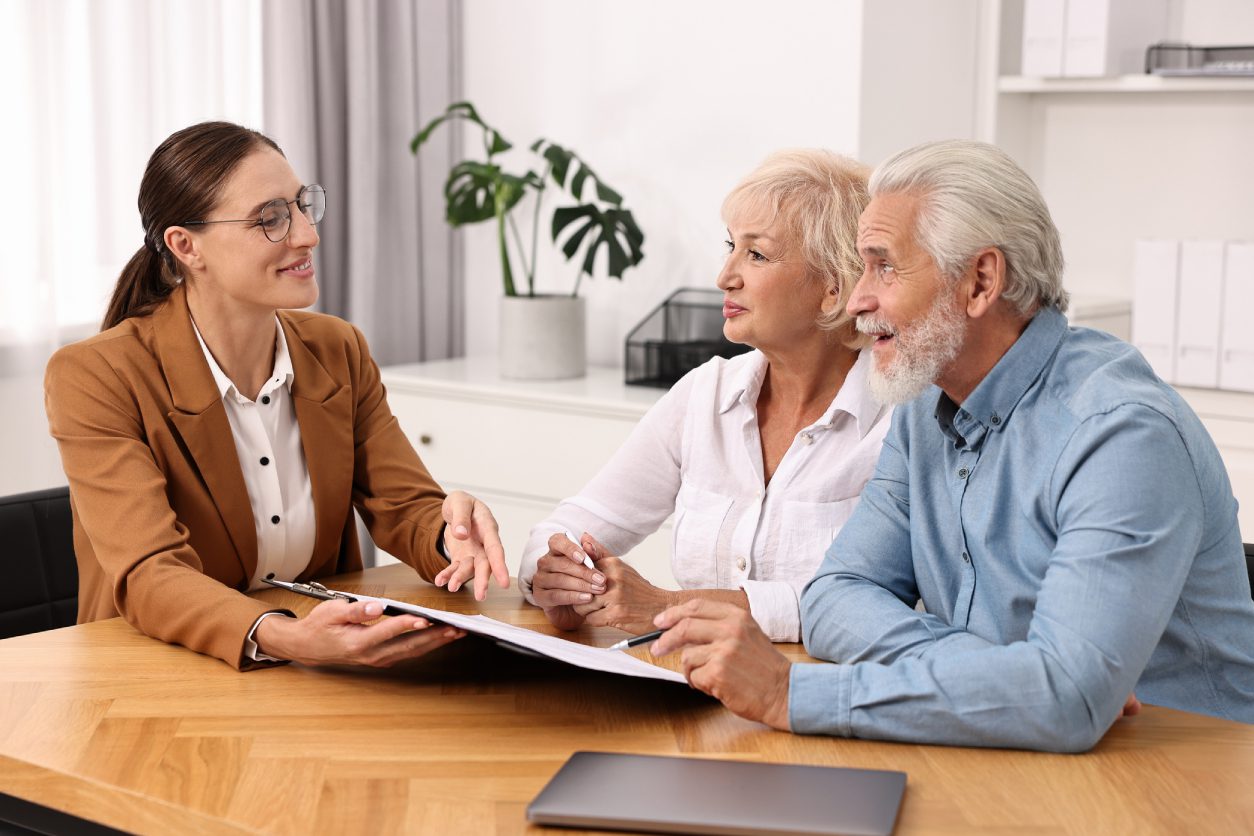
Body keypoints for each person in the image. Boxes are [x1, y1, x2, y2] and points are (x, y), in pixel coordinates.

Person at [648, 139, 1254, 751]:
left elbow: (1067, 703)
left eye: (883, 265)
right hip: (999, 751)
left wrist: (788, 695)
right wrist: (1001, 674)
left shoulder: (1121, 432)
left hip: (1172, 778)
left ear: (981, 281)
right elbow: (835, 597)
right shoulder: (920, 404)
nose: (857, 299)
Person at [44, 121, 508, 670]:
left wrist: (448, 536)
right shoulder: (94, 375)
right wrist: (287, 638)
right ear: (186, 245)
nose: (307, 234)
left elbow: (405, 506)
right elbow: (151, 574)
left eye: (302, 205)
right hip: (153, 674)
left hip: (314, 668)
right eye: (270, 218)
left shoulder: (338, 349)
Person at [518, 149, 890, 642]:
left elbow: (872, 601)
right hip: (687, 687)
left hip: (821, 694)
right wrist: (560, 576)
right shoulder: (704, 394)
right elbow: (574, 523)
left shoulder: (898, 421)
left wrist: (673, 606)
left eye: (756, 254)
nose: (724, 276)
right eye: (730, 246)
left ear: (834, 287)